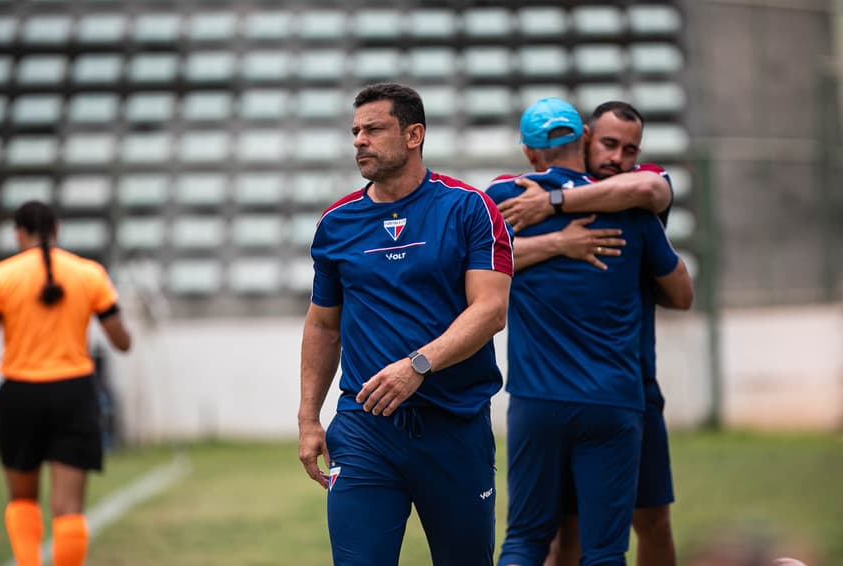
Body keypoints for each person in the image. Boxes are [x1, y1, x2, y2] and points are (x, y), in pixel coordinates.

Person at [297, 83, 513, 565]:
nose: (359, 140)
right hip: (364, 428)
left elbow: (490, 309)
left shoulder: (470, 208)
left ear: (414, 135)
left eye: (373, 129)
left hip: (454, 426)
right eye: (355, 131)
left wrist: (417, 365)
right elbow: (323, 326)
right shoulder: (336, 223)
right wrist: (309, 416)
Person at [486, 98, 693, 566]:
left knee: (529, 539)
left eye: (629, 148)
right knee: (596, 545)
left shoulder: (508, 197)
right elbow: (682, 293)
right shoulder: (634, 214)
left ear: (530, 151)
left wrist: (553, 206)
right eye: (608, 143)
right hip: (614, 396)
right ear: (583, 137)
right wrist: (563, 242)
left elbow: (466, 270)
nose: (618, 157)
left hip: (559, 397)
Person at [0, 201, 132, 566]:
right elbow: (121, 340)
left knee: (22, 499)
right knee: (68, 508)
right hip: (74, 393)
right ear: (57, 229)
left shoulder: (1, 276)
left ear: (18, 233)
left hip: (20, 393)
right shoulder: (89, 273)